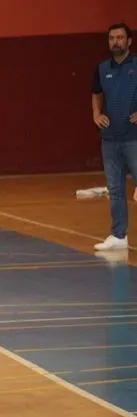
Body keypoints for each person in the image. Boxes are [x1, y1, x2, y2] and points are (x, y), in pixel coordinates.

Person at [92, 22, 137, 251]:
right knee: (116, 190)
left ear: (129, 41)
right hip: (110, 140)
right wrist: (96, 113)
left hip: (134, 138)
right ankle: (119, 235)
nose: (115, 42)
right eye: (111, 38)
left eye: (119, 38)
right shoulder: (102, 69)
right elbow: (96, 93)